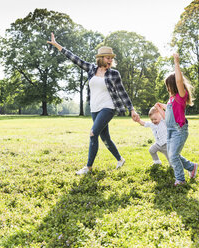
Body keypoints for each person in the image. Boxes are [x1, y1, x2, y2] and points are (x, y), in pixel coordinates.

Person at [47, 33, 139, 175]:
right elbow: (74, 58)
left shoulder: (114, 74)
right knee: (105, 137)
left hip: (108, 107)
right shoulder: (91, 69)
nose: (110, 60)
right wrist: (57, 45)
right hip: (95, 108)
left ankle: (88, 167)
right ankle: (120, 159)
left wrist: (131, 109)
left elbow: (122, 93)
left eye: (111, 58)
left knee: (92, 134)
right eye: (108, 58)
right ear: (100, 58)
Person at [155, 53, 198, 186]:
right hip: (171, 131)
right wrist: (160, 107)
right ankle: (192, 167)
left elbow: (179, 81)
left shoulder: (180, 96)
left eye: (168, 85)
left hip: (179, 131)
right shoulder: (172, 99)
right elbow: (168, 113)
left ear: (172, 85)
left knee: (173, 155)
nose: (167, 88)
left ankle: (180, 179)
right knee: (173, 154)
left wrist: (176, 63)